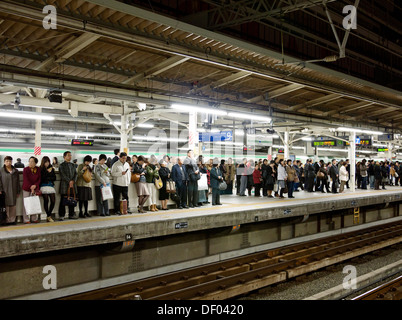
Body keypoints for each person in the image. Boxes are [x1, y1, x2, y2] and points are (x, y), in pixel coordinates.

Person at [0, 156, 21, 225]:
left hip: (13, 190)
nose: (8, 163)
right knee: (6, 206)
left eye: (10, 161)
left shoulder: (15, 171)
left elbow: (18, 182)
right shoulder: (1, 170)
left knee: (13, 206)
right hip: (5, 191)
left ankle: (12, 220)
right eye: (7, 161)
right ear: (4, 162)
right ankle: (6, 220)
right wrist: (0, 189)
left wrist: (18, 191)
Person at [59, 151, 78, 221]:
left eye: (70, 155)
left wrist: (73, 181)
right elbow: (62, 175)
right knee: (63, 200)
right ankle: (61, 215)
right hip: (64, 185)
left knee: (72, 200)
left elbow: (76, 174)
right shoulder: (61, 165)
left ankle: (71, 214)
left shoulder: (73, 165)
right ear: (64, 157)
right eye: (68, 155)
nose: (70, 157)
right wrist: (69, 181)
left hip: (72, 185)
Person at [22, 156, 41, 224]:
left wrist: (35, 185)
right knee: (26, 204)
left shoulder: (38, 169)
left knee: (34, 203)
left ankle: (34, 218)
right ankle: (26, 219)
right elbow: (26, 179)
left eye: (32, 161)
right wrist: (31, 187)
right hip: (27, 188)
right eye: (30, 161)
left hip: (35, 188)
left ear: (36, 163)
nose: (30, 163)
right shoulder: (26, 169)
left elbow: (39, 179)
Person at [39, 156, 56, 223]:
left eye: (48, 162)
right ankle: (49, 216)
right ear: (43, 162)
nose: (47, 163)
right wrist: (47, 172)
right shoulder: (40, 169)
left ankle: (48, 215)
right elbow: (42, 178)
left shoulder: (51, 168)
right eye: (45, 162)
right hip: (43, 186)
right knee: (46, 200)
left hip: (50, 186)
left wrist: (49, 176)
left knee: (53, 201)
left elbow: (54, 178)